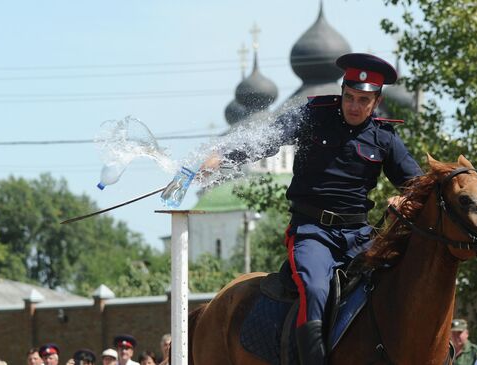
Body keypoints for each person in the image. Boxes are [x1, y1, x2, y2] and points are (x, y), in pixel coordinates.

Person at [179, 52, 422, 365]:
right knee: (316, 288)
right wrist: (223, 156)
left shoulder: (385, 137)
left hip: (360, 235)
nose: (354, 106)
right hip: (313, 233)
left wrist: (406, 198)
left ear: (375, 102)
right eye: (349, 97)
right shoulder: (314, 115)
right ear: (342, 92)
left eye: (363, 100)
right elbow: (267, 139)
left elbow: (417, 184)